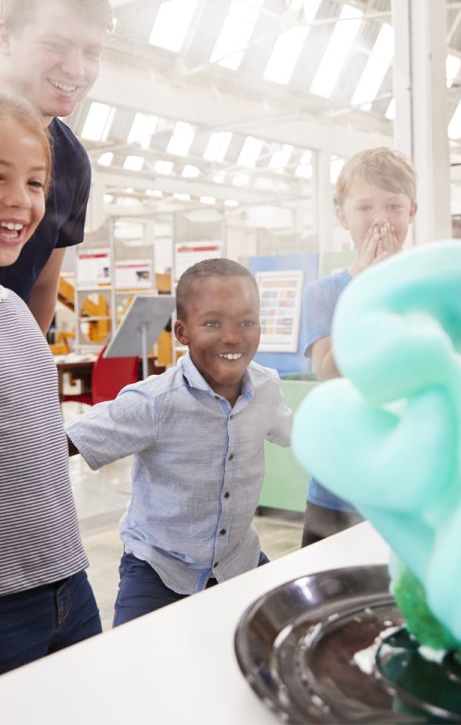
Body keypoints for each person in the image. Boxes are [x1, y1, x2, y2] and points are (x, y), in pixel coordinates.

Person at [66, 259, 293, 626]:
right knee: (132, 662)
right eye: (213, 323)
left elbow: (298, 432)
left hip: (239, 560)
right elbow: (68, 439)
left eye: (246, 321)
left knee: (279, 640)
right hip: (159, 568)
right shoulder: (154, 402)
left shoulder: (266, 388)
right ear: (182, 332)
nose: (233, 336)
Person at [0, 92, 101, 674]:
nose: (22, 200)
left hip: (68, 581)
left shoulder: (15, 311)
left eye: (36, 183)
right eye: (1, 177)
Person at [300, 146, 418, 546]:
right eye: (365, 207)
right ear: (342, 215)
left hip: (410, 483)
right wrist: (366, 285)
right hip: (336, 488)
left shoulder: (428, 289)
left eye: (394, 206)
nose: (380, 219)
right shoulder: (324, 293)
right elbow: (329, 372)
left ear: (412, 212)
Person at [0, 0, 112, 333]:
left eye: (91, 53)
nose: (76, 69)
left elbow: (43, 285)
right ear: (5, 37)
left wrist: (24, 374)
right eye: (55, 45)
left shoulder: (73, 163)